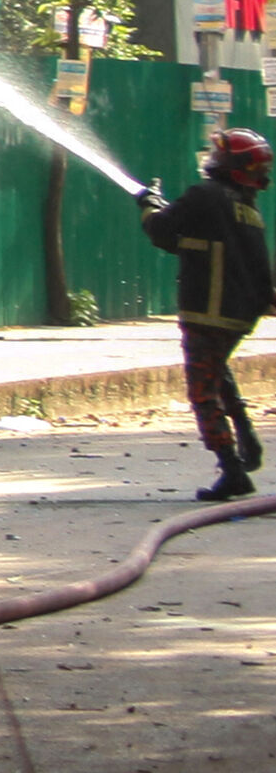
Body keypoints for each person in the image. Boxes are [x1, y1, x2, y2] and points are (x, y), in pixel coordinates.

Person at [135, 128, 271, 500]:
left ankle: (232, 470)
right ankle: (246, 438)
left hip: (207, 312)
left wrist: (149, 205)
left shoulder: (206, 195)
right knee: (217, 373)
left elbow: (162, 228)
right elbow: (181, 241)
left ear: (232, 164)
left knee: (202, 392)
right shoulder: (247, 208)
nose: (213, 158)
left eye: (220, 153)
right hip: (238, 316)